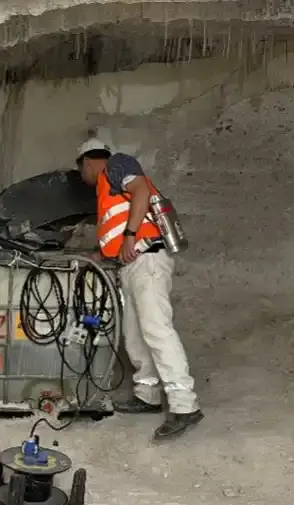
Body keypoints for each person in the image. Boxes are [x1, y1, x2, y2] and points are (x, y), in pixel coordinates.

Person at [75, 138, 204, 440]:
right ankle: (147, 394)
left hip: (147, 259)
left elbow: (142, 190)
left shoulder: (117, 165)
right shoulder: (106, 192)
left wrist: (131, 236)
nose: (82, 176)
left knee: (157, 329)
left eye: (80, 169)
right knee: (134, 333)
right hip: (131, 267)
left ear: (88, 162)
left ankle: (185, 405)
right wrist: (95, 255)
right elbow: (114, 237)